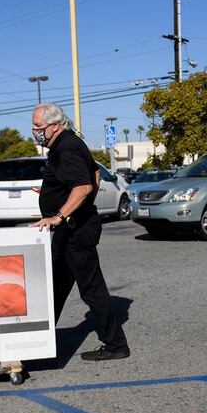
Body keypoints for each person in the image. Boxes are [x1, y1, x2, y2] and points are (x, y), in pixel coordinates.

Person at [30, 103, 131, 362]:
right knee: (54, 288)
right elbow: (95, 175)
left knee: (92, 289)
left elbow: (85, 186)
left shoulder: (66, 146)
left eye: (38, 127)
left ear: (54, 126)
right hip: (69, 231)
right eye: (33, 127)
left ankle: (116, 344)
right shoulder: (67, 144)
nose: (34, 132)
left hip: (74, 231)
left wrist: (60, 214)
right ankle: (36, 341)